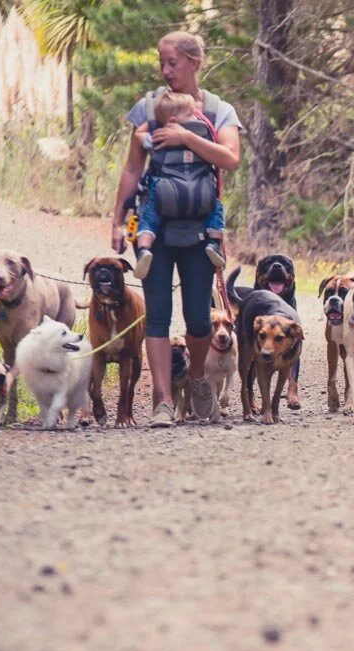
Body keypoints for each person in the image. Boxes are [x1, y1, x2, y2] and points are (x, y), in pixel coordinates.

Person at [110, 31, 243, 428]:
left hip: (200, 227)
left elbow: (231, 158)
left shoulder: (219, 111)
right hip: (154, 224)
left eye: (173, 63)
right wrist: (117, 219)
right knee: (158, 316)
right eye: (161, 63)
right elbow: (133, 168)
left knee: (200, 318)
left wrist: (185, 136)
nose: (166, 71)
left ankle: (198, 376)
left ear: (195, 63)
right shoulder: (150, 108)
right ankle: (163, 400)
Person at [133, 91, 227, 278]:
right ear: (176, 119)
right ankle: (215, 243)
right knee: (215, 209)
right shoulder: (203, 135)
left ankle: (144, 248)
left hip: (163, 194)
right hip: (200, 193)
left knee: (148, 220)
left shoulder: (158, 138)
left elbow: (139, 135)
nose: (194, 117)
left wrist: (152, 125)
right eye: (190, 114)